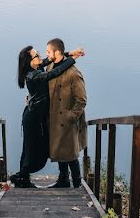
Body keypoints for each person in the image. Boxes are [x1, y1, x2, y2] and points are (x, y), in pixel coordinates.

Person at [10, 44, 85, 188]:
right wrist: (72, 59)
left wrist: (69, 53)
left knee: (30, 147)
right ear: (30, 61)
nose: (40, 56)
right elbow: (54, 73)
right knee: (31, 148)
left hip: (36, 114)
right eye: (36, 55)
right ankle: (23, 178)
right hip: (33, 118)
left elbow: (49, 60)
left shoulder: (35, 68)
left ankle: (23, 176)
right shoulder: (34, 75)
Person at [44, 37, 87, 188]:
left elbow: (81, 100)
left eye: (49, 51)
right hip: (54, 118)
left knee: (70, 154)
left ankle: (77, 184)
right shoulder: (50, 67)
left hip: (67, 120)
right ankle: (63, 180)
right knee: (59, 149)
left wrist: (71, 116)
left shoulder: (73, 74)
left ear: (57, 52)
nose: (46, 54)